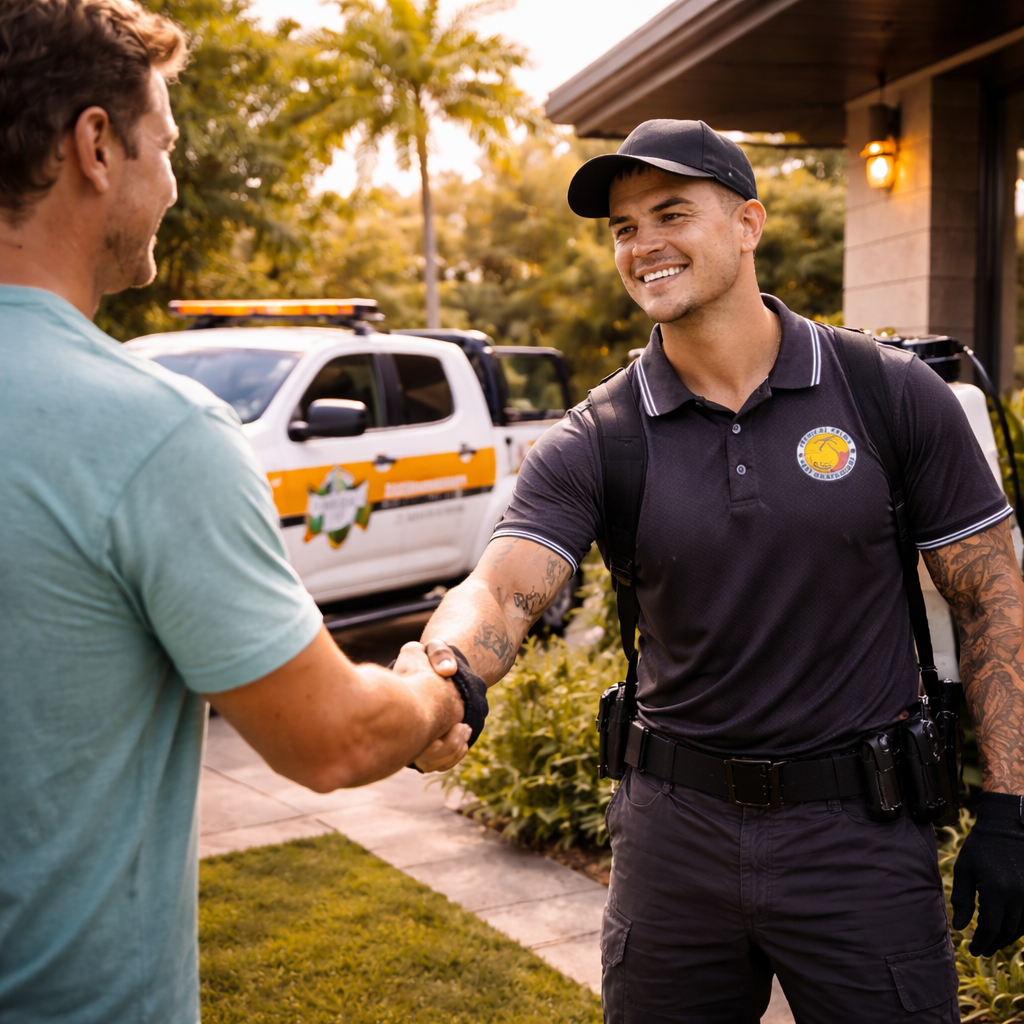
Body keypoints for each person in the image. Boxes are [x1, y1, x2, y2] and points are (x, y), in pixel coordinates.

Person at [418, 119, 1024, 1023]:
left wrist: (1012, 805)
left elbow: (993, 599)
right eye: (623, 228)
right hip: (673, 841)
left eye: (671, 213)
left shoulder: (889, 393)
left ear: (749, 223)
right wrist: (447, 672)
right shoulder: (601, 436)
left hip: (858, 837)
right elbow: (503, 586)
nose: (644, 244)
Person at [0, 2, 472, 1020]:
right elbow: (333, 738)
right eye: (162, 145)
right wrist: (434, 698)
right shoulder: (151, 431)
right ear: (94, 145)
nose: (169, 183)